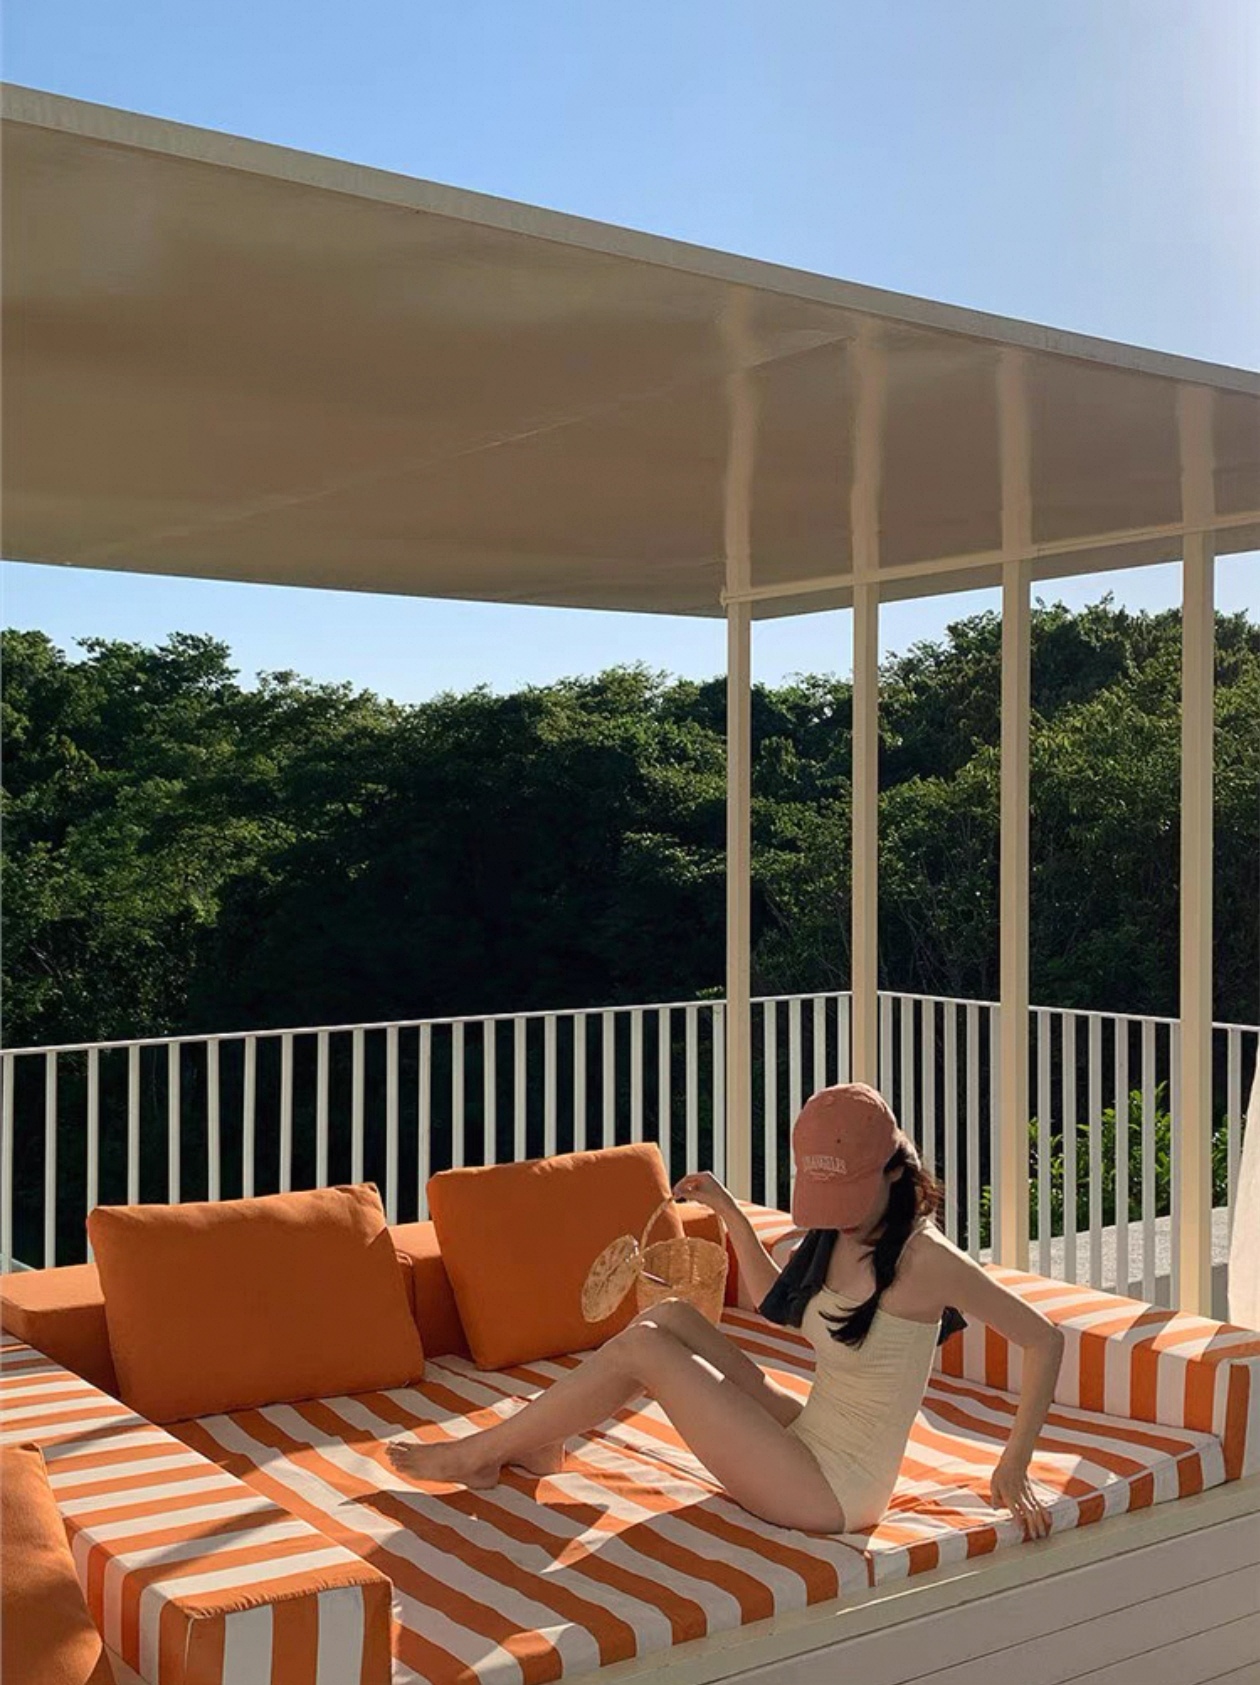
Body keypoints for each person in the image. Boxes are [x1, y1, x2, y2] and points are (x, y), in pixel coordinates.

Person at [387, 1083, 1064, 1538]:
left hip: (834, 1490)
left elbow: (1045, 1340)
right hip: (811, 1433)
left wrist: (1013, 1464)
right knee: (670, 1318)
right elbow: (780, 1305)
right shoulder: (840, 1231)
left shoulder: (927, 1258)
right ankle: (538, 1439)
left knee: (645, 1351)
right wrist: (728, 1210)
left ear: (892, 1169)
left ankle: (477, 1455)